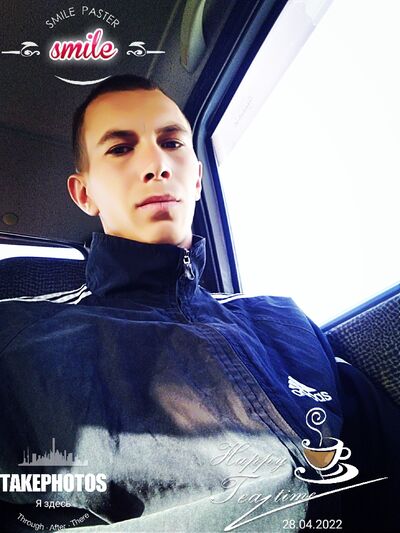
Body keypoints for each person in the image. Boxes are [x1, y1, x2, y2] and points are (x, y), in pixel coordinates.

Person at [0, 74, 398, 533]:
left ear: (197, 179)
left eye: (172, 143)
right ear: (84, 193)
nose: (156, 164)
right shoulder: (18, 339)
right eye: (121, 148)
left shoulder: (283, 317)